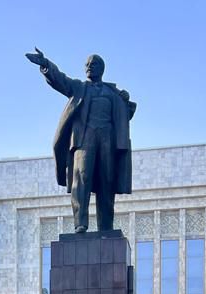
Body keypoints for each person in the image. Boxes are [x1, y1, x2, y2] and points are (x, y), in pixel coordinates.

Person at [25, 49, 137, 233]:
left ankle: (106, 226)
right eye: (87, 65)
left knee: (107, 180)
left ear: (101, 68)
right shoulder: (79, 88)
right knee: (81, 178)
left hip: (108, 140)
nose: (89, 67)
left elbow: (126, 116)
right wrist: (46, 65)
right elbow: (60, 80)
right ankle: (80, 223)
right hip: (84, 140)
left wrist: (125, 102)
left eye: (93, 64)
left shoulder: (113, 92)